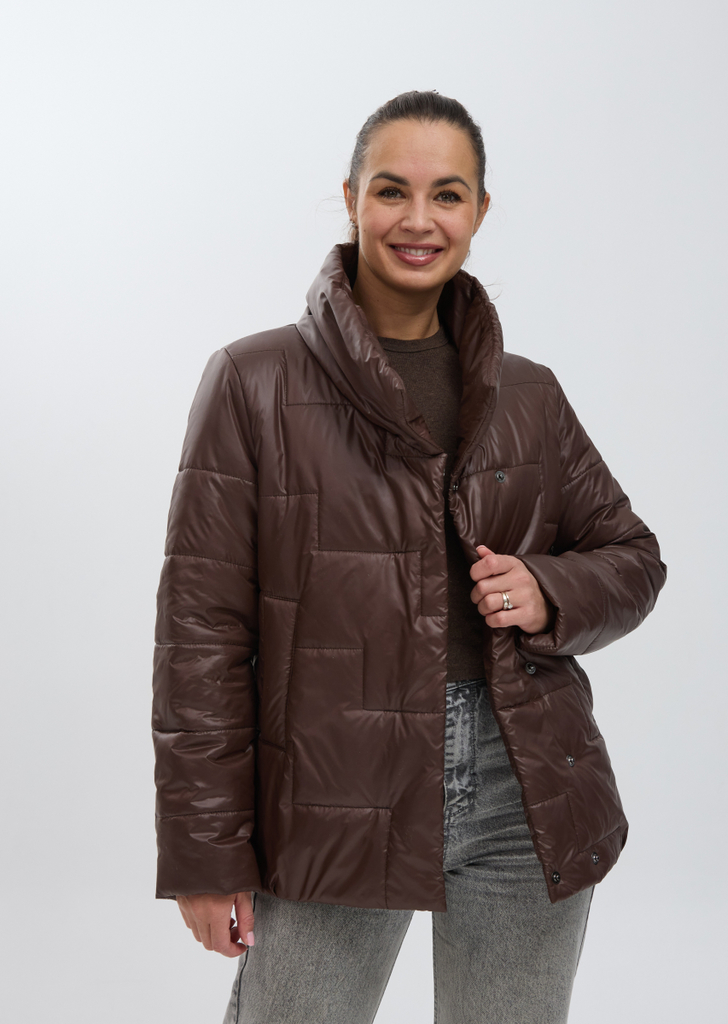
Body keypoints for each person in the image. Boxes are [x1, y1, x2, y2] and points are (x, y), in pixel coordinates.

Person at [152, 90, 666, 1024]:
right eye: (392, 190)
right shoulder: (254, 381)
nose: (419, 220)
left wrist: (549, 589)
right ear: (351, 198)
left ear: (479, 211)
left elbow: (633, 557)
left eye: (448, 195)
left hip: (524, 785)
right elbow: (200, 637)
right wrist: (205, 851)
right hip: (333, 786)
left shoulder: (529, 395)